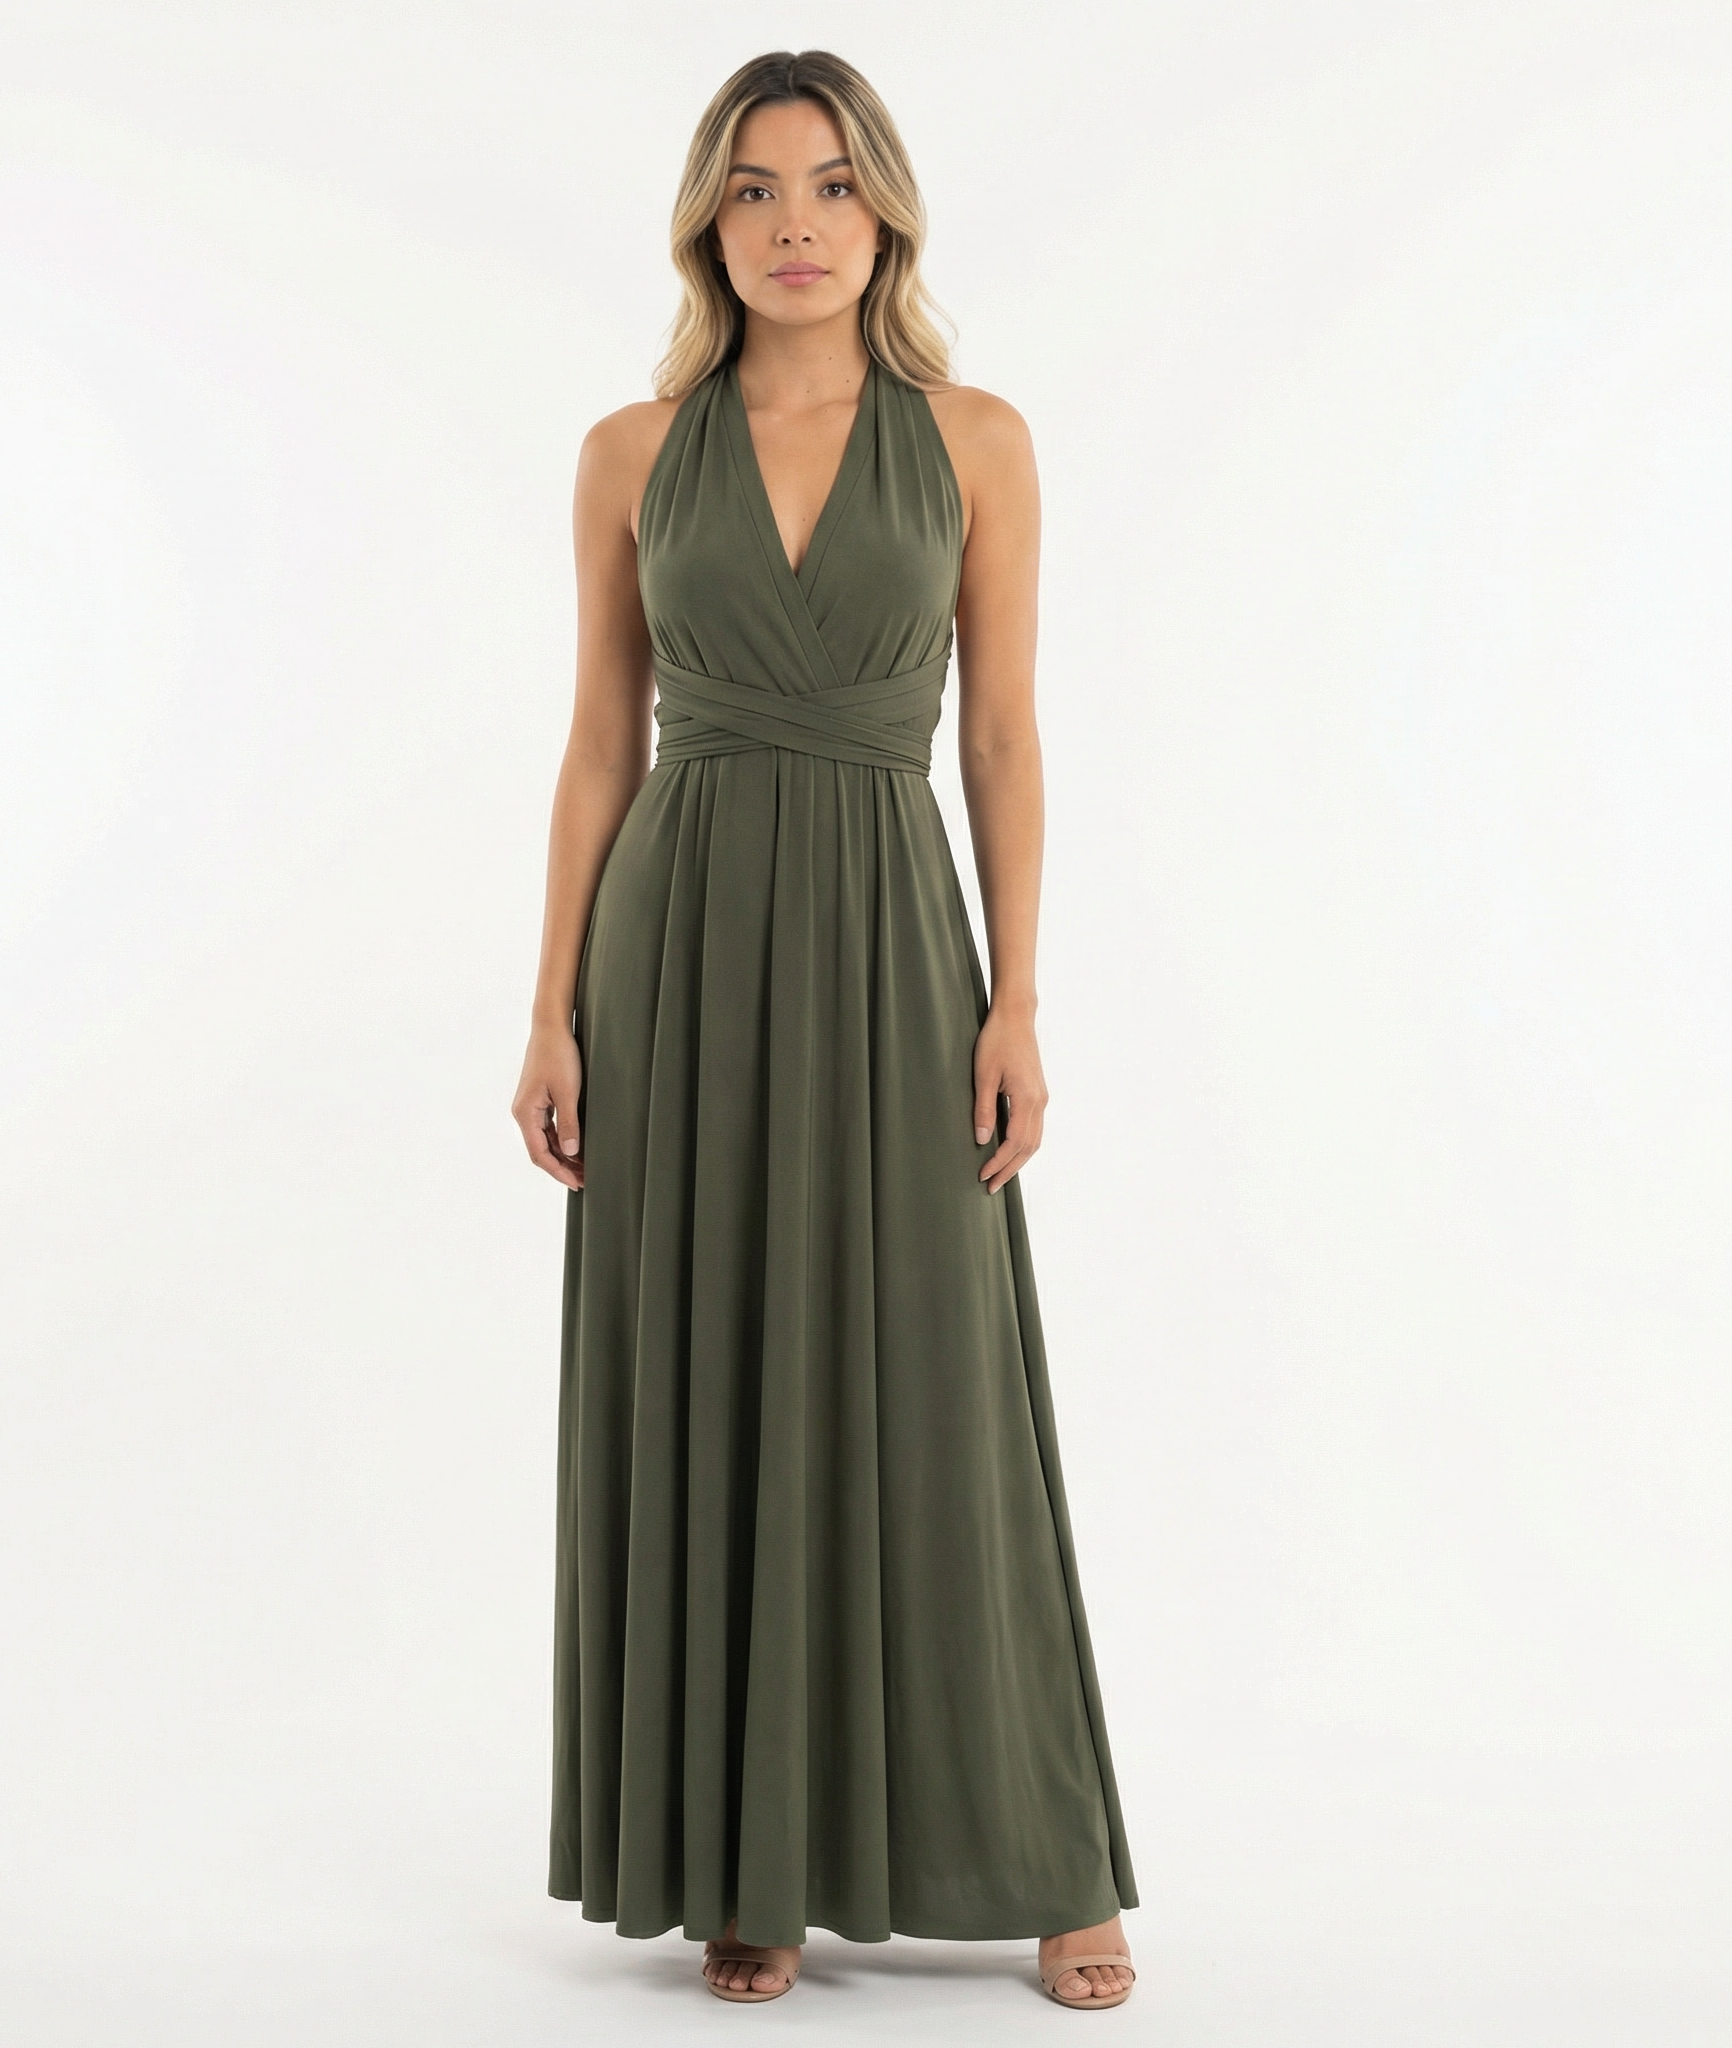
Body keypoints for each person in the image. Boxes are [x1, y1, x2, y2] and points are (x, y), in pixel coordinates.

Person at [511, 49, 1138, 2011]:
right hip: (678, 949)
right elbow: (601, 741)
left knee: (943, 1384)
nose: (798, 224)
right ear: (710, 222)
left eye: (836, 185)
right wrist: (550, 1006)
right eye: (758, 188)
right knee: (709, 1367)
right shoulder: (632, 450)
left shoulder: (974, 439)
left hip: (887, 936)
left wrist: (1016, 994)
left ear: (889, 216)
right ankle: (747, 1859)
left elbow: (1002, 737)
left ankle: (1055, 1862)